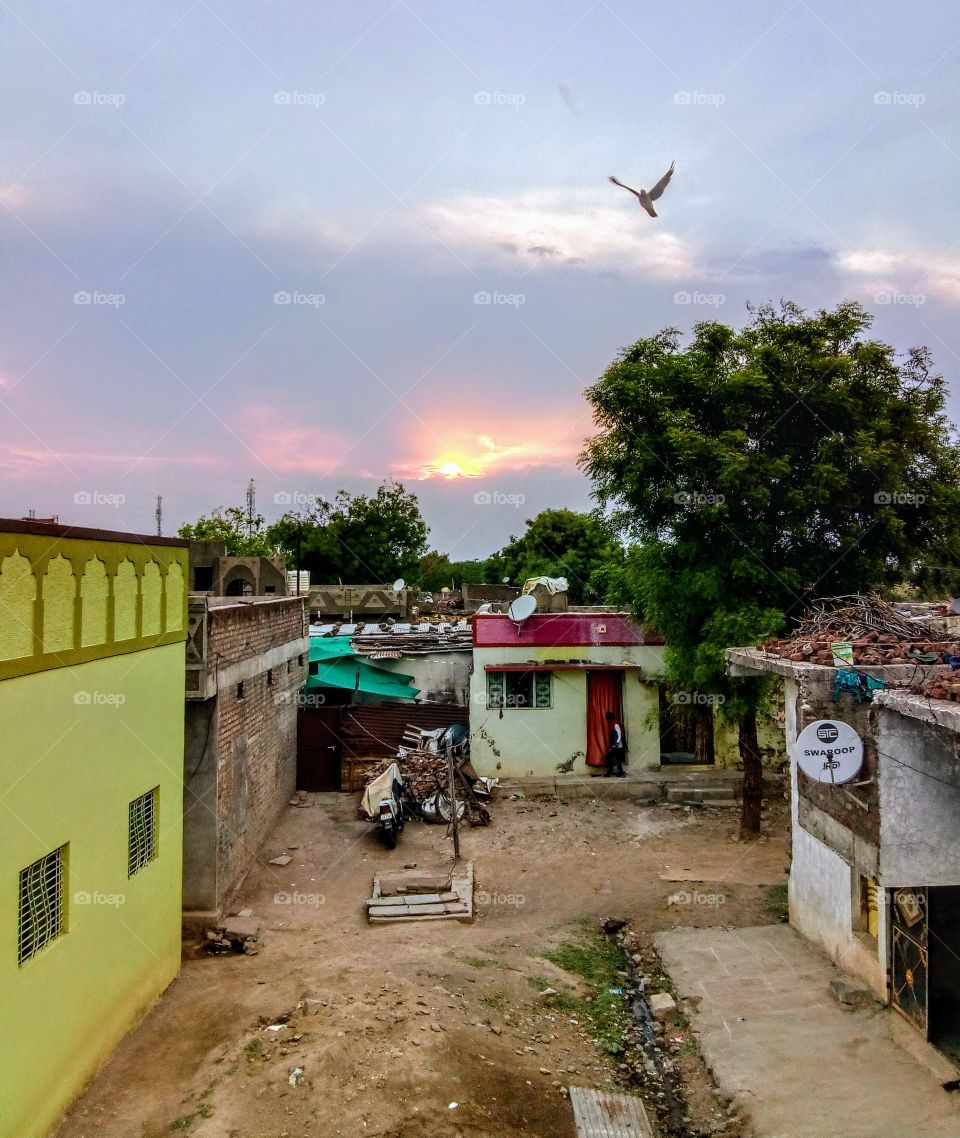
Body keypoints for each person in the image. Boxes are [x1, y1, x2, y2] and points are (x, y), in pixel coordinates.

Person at [603, 710, 626, 777]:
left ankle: (611, 771)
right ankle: (620, 772)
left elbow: (619, 734)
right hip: (615, 745)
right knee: (616, 758)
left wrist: (616, 743)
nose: (607, 719)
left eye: (608, 718)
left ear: (610, 718)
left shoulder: (615, 724)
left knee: (607, 756)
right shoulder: (612, 723)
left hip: (617, 745)